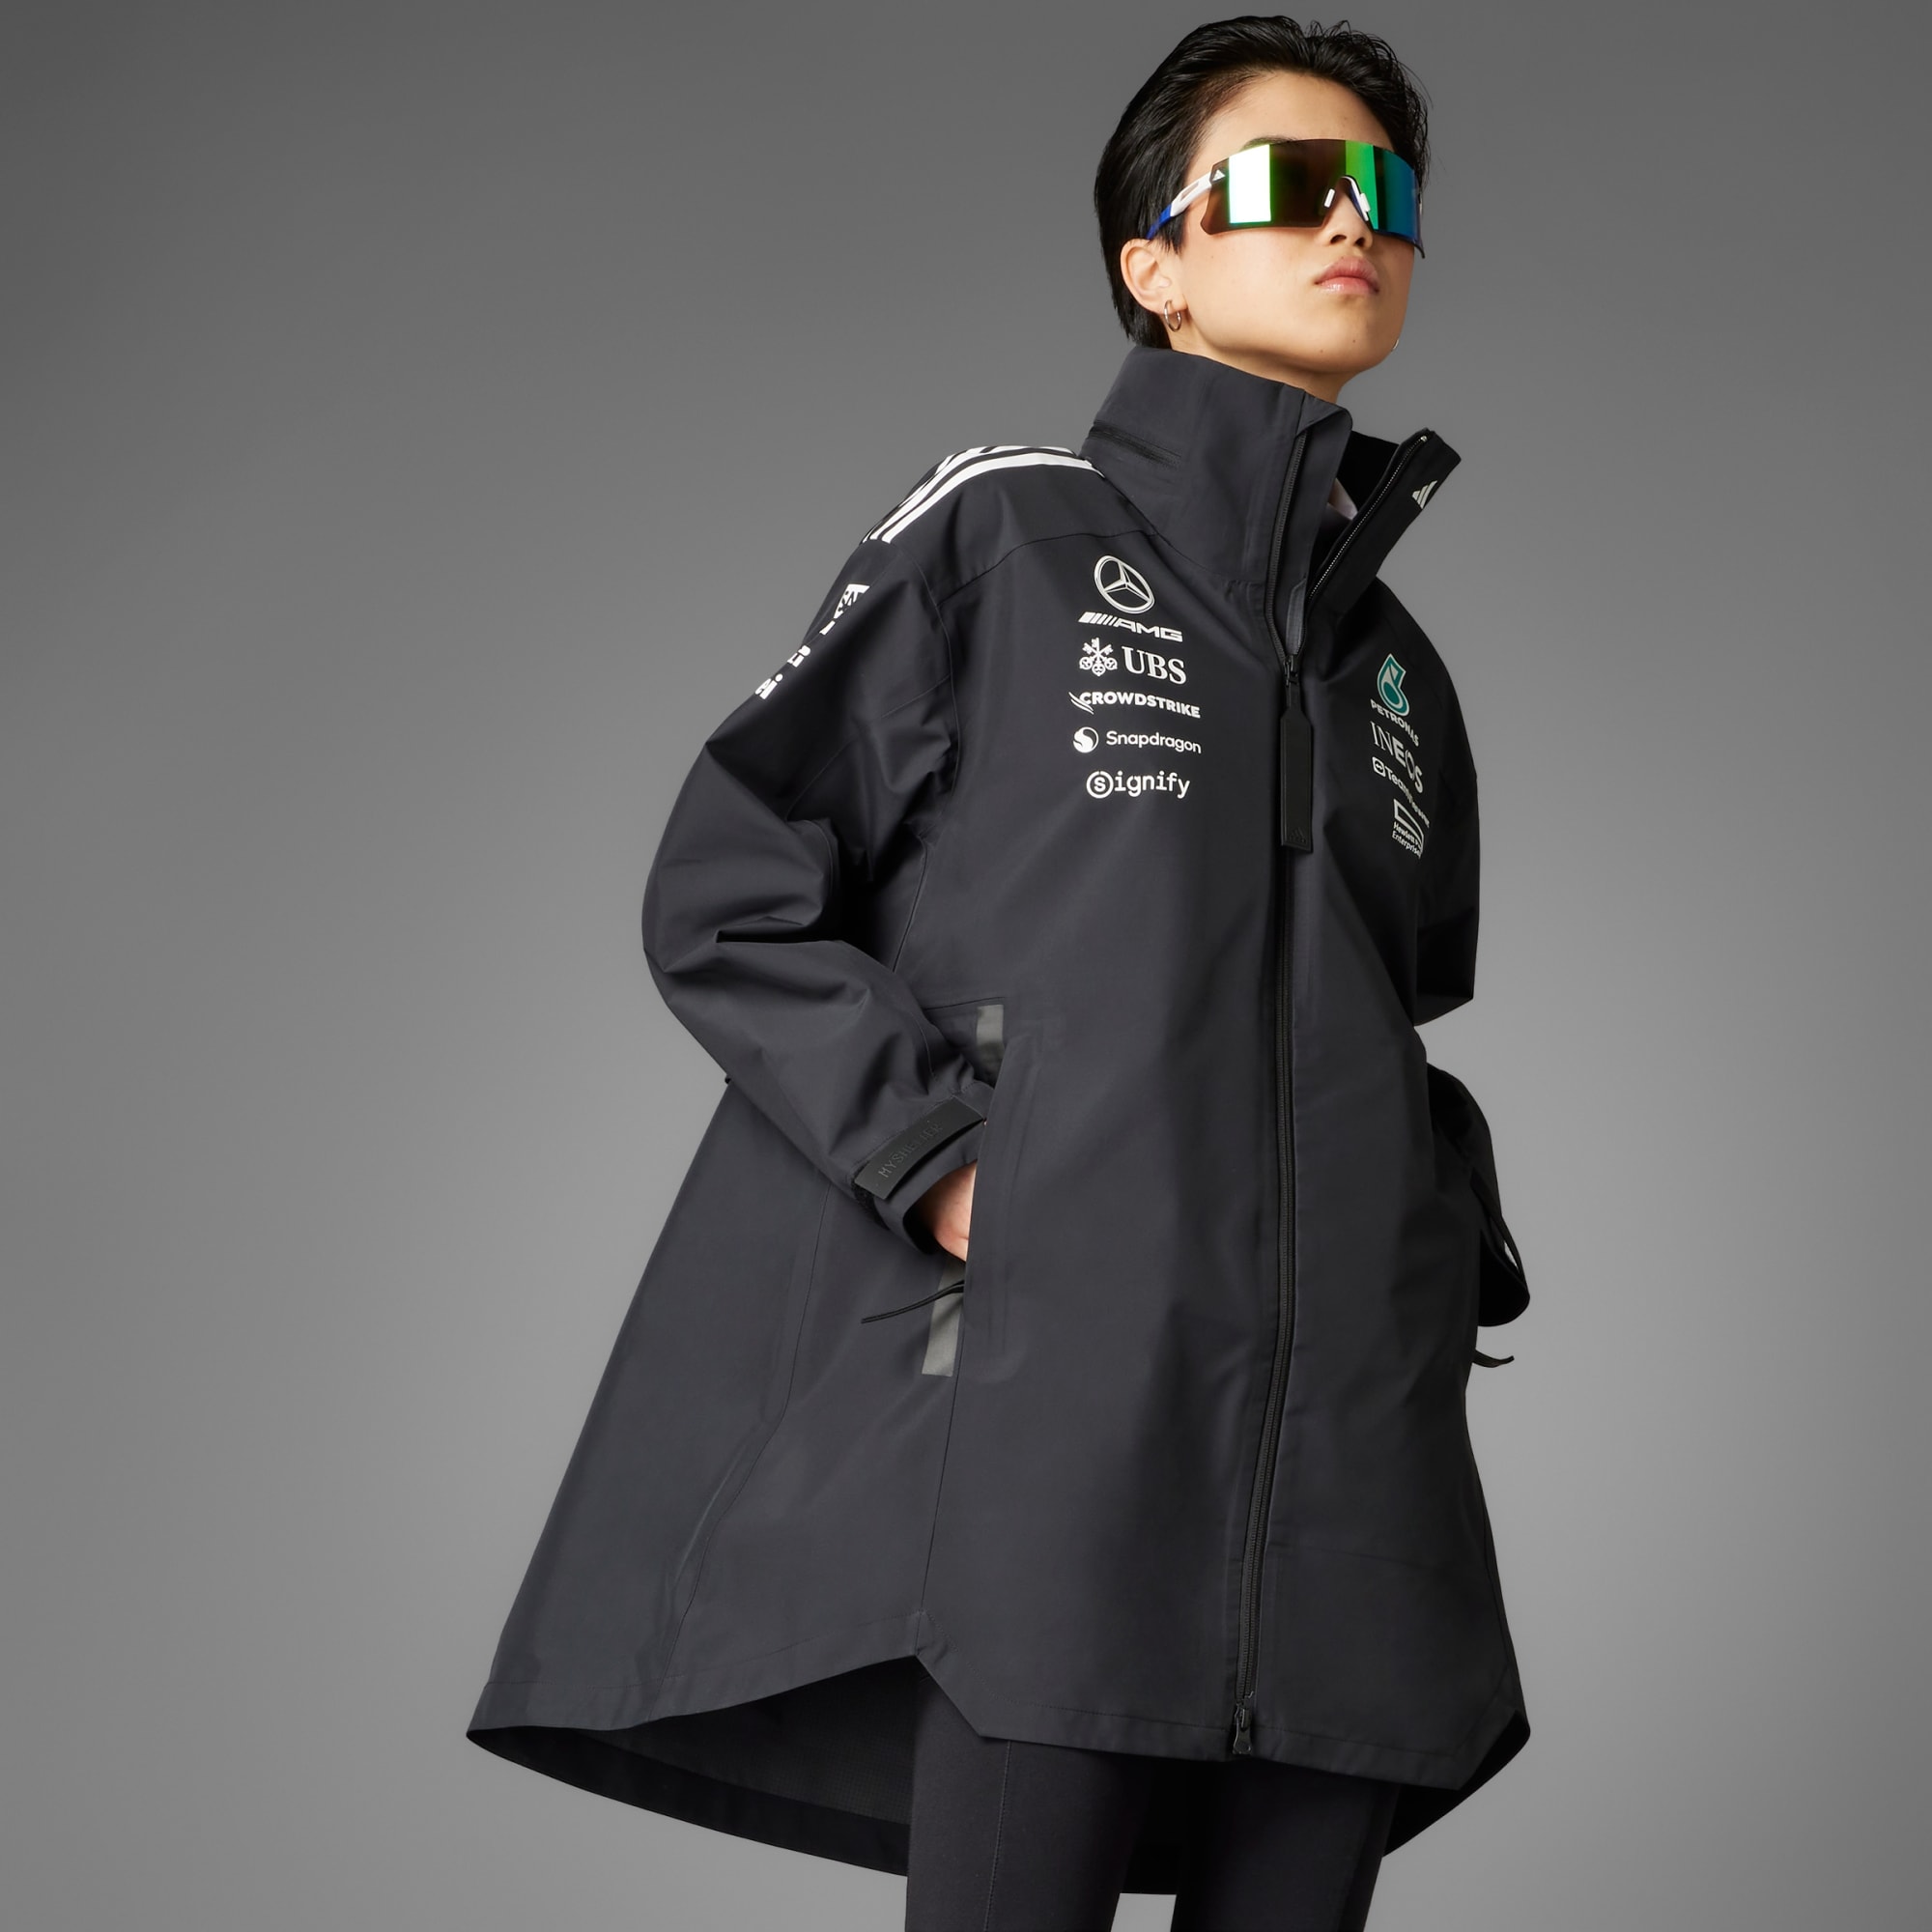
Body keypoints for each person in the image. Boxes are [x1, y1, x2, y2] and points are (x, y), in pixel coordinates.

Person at [467, 15, 1533, 1931]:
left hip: (1349, 1482)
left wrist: (1429, 1258)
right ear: (1155, 263)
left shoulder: (1399, 675)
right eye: (1293, 182)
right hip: (1062, 1427)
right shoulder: (1010, 534)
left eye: (1386, 189)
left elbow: (1392, 1018)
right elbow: (727, 892)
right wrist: (947, 1156)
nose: (1353, 222)